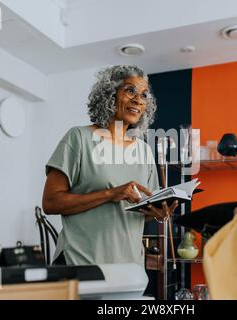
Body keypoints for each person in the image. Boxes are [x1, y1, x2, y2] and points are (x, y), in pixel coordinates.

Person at [42, 65, 179, 267]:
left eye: (144, 95)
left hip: (129, 267)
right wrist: (109, 194)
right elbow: (50, 203)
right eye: (130, 90)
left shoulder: (144, 151)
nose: (138, 100)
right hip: (80, 263)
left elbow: (147, 208)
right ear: (110, 95)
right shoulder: (79, 138)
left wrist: (159, 213)